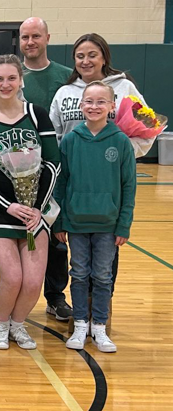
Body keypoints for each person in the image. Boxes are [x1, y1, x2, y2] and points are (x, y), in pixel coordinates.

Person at [0, 55, 60, 350]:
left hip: (35, 209)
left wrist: (37, 208)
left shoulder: (37, 115)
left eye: (11, 78)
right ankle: (1, 324)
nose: (5, 84)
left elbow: (53, 164)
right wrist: (9, 205)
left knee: (33, 281)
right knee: (12, 277)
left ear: (21, 80)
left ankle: (18, 326)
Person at [0, 18, 74, 322]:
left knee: (54, 246)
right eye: (24, 36)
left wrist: (38, 202)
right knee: (15, 271)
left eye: (35, 36)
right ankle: (6, 323)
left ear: (47, 38)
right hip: (6, 191)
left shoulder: (66, 78)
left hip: (48, 181)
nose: (30, 41)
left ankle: (55, 298)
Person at [54, 81, 136, 353]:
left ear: (112, 106)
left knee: (102, 276)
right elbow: (62, 184)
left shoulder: (121, 141)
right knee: (78, 275)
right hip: (76, 222)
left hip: (108, 225)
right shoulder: (71, 140)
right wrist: (61, 220)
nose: (94, 106)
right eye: (89, 101)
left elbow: (128, 187)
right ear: (80, 105)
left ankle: (99, 326)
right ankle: (79, 324)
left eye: (101, 101)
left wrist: (123, 224)